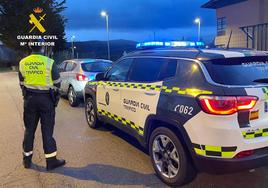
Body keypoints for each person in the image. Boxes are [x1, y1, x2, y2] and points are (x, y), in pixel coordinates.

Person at [18, 41, 65, 170]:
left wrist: (26, 95)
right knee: (47, 132)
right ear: (43, 47)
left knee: (29, 131)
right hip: (46, 101)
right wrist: (55, 98)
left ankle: (26, 161)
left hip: (30, 100)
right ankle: (51, 162)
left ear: (30, 47)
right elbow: (57, 83)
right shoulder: (49, 62)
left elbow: (21, 83)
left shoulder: (23, 62)